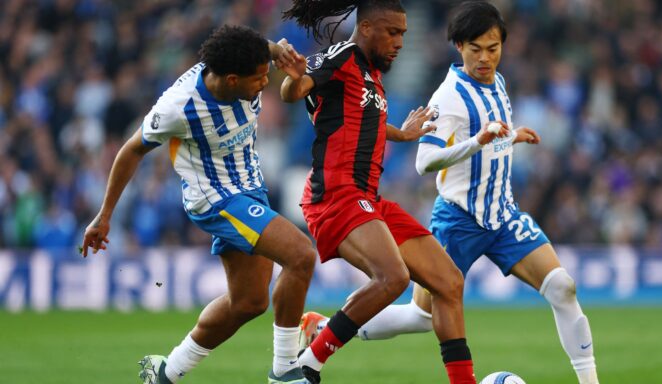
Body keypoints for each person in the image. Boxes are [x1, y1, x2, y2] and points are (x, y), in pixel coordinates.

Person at [299, 2, 601, 383]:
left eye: (493, 48)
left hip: (503, 214)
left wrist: (510, 137)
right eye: (476, 49)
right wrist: (477, 141)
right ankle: (324, 330)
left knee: (563, 287)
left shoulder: (499, 82)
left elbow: (490, 135)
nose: (485, 58)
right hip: (459, 217)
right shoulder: (449, 97)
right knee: (421, 316)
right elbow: (424, 162)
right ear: (459, 46)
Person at [81, 25, 317, 384]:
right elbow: (131, 150)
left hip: (250, 188)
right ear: (233, 79)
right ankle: (285, 371)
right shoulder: (179, 106)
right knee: (300, 254)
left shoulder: (248, 58)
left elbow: (258, 47)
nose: (264, 85)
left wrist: (276, 50)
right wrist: (104, 215)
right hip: (217, 198)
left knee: (249, 302)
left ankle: (166, 372)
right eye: (258, 80)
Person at [280, 1, 477, 383]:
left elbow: (357, 117)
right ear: (367, 27)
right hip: (335, 194)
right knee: (393, 278)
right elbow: (296, 89)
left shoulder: (370, 73)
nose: (400, 42)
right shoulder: (340, 57)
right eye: (393, 32)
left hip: (367, 197)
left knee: (449, 283)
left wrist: (401, 133)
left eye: (403, 33)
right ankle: (306, 367)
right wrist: (291, 78)